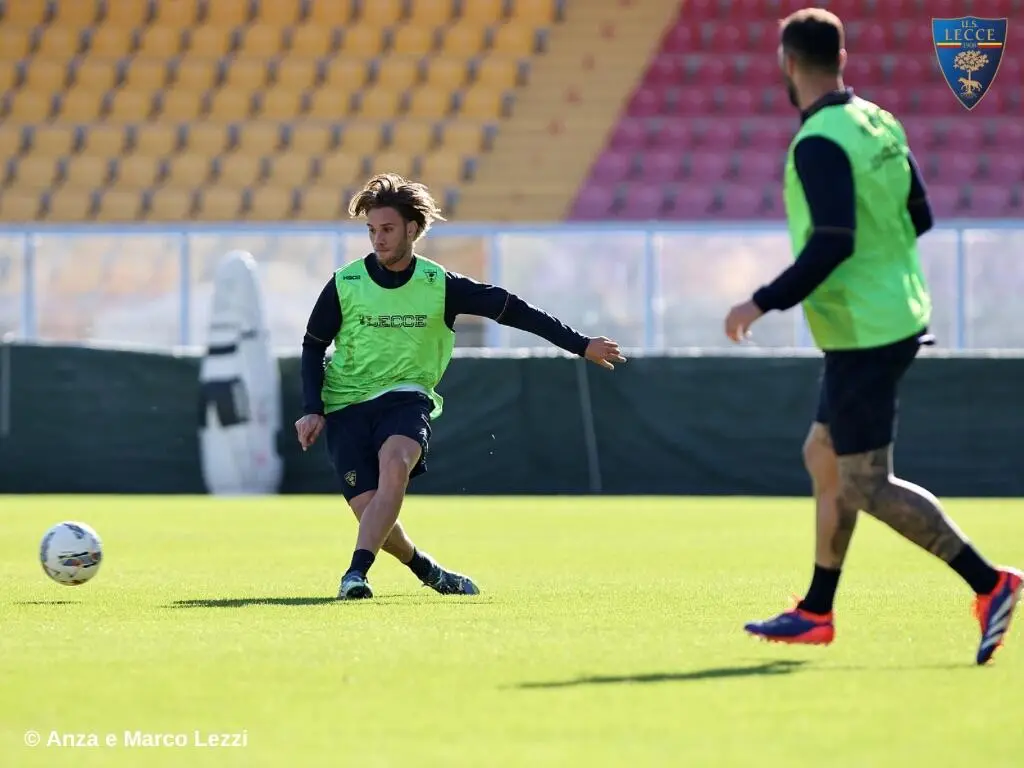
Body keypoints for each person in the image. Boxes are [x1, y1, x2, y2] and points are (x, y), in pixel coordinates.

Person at [723, 8, 1021, 665]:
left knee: (866, 483)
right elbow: (921, 215)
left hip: (866, 329)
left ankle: (990, 583)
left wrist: (760, 302)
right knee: (823, 455)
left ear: (788, 64)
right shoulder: (879, 121)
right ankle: (816, 610)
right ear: (841, 59)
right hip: (893, 312)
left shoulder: (818, 141)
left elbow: (833, 241)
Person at [296, 173, 626, 600]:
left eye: (388, 229)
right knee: (374, 516)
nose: (378, 239)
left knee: (396, 464)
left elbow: (512, 309)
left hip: (406, 399)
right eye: (372, 230)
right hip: (345, 406)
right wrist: (312, 407)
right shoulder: (346, 283)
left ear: (413, 229)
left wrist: (580, 344)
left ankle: (355, 575)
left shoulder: (440, 285)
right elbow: (313, 345)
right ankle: (428, 570)